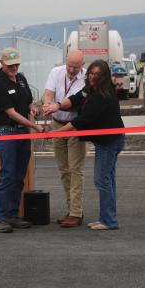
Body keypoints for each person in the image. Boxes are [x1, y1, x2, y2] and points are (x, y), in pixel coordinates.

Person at [43, 59, 125, 230]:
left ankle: (109, 220)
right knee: (107, 180)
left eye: (97, 75)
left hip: (110, 141)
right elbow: (75, 98)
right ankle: (107, 218)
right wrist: (56, 106)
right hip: (106, 141)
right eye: (91, 74)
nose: (93, 77)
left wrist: (55, 133)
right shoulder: (90, 89)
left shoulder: (102, 96)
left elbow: (80, 122)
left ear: (104, 77)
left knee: (102, 180)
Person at [0, 47, 45, 233]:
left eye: (16, 64)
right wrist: (34, 126)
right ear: (2, 63)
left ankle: (12, 214)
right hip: (8, 132)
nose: (14, 67)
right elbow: (11, 113)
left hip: (22, 133)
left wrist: (32, 109)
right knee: (7, 175)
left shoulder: (21, 79)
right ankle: (0, 217)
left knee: (19, 175)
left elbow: (27, 101)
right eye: (11, 65)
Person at [42, 50, 87, 228]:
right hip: (57, 124)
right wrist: (46, 102)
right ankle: (72, 210)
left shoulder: (86, 80)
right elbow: (48, 93)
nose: (71, 70)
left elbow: (76, 103)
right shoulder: (56, 72)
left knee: (75, 169)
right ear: (65, 62)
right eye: (69, 65)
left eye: (75, 67)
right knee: (64, 169)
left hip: (75, 127)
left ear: (82, 66)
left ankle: (76, 212)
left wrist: (57, 106)